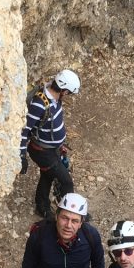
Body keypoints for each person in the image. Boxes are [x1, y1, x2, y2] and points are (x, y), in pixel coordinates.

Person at [19, 69, 81, 218]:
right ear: (65, 90)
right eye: (69, 93)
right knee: (66, 181)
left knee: (47, 175)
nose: (68, 96)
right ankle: (70, 213)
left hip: (52, 149)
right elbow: (25, 129)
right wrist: (21, 154)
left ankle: (43, 207)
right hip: (42, 151)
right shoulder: (40, 104)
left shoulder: (55, 97)